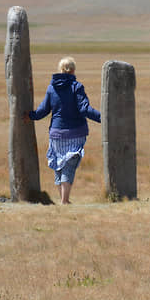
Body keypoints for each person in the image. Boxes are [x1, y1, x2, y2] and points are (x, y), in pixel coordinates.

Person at [23, 56, 101, 204]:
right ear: (73, 70)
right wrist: (104, 117)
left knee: (58, 166)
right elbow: (84, 109)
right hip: (75, 133)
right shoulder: (76, 87)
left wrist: (30, 116)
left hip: (56, 134)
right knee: (69, 166)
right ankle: (65, 201)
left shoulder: (51, 88)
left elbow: (43, 110)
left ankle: (63, 199)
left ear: (60, 69)